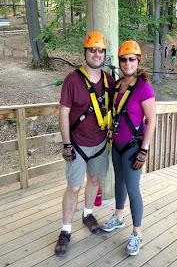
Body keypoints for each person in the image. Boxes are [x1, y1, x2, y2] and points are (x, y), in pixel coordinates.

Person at [55, 31, 115, 257]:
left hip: (99, 143)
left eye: (100, 50)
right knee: (73, 186)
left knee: (94, 180)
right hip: (77, 144)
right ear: (85, 52)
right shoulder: (73, 79)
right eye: (93, 50)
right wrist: (66, 143)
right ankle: (65, 229)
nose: (96, 54)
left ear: (104, 54)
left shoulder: (109, 81)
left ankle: (87, 213)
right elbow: (64, 112)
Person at [101, 40, 156, 256]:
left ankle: (137, 233)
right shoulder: (116, 86)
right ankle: (118, 216)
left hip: (134, 146)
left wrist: (144, 149)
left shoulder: (144, 87)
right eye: (123, 59)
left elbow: (151, 120)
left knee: (133, 189)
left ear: (138, 61)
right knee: (119, 182)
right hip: (117, 144)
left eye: (131, 59)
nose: (127, 63)